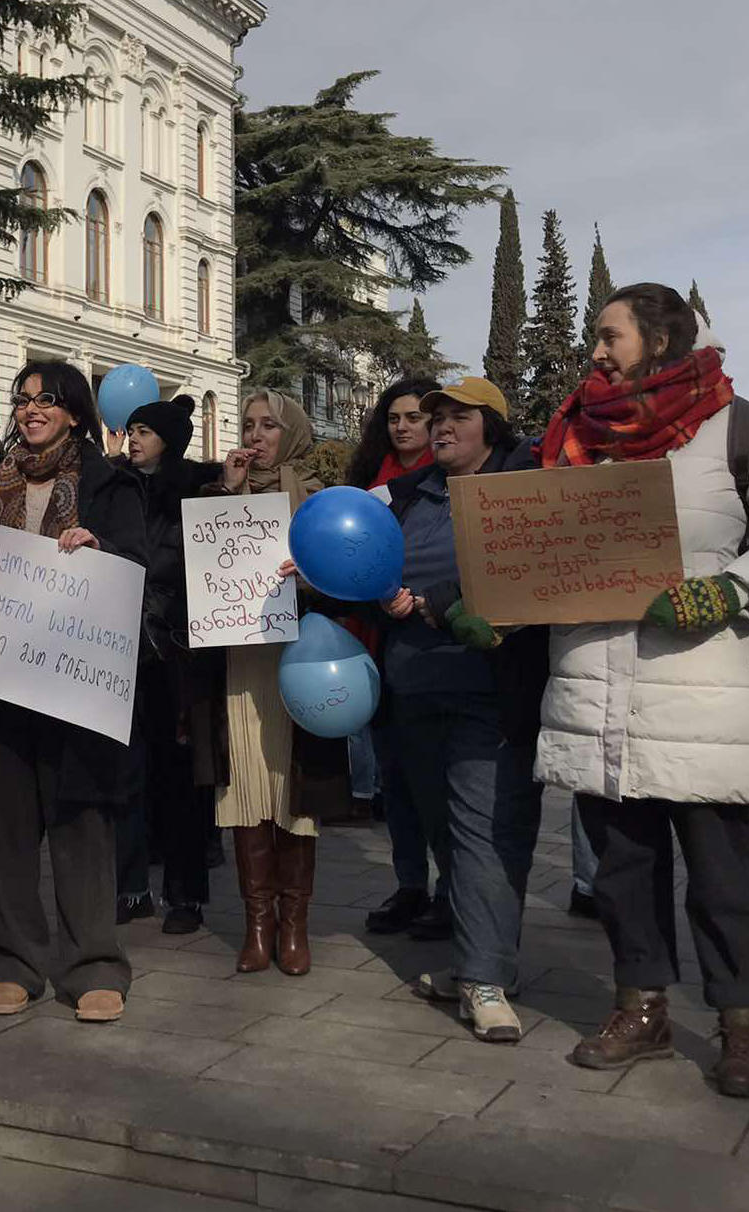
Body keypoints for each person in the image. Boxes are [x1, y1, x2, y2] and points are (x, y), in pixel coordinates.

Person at [533, 283, 749, 1099]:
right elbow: (532, 549)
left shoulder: (739, 427)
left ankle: (742, 1025)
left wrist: (732, 590)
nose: (595, 351)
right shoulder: (572, 433)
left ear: (659, 341)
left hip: (701, 692)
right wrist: (500, 604)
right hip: (597, 688)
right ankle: (642, 1008)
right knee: (621, 869)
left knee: (722, 874)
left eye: (609, 335)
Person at [0, 361, 147, 1022]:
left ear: (74, 411)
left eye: (46, 400)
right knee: (3, 826)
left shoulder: (108, 481)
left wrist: (101, 547)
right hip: (0, 682)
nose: (31, 410)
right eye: (23, 399)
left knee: (82, 826)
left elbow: (143, 558)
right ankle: (10, 959)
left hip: (75, 684)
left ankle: (93, 963)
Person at [374, 377, 548, 1043]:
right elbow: (373, 566)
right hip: (414, 687)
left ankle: (483, 980)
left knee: (488, 833)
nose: (441, 426)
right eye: (435, 417)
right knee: (446, 831)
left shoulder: (523, 487)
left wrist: (429, 599)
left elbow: (516, 568)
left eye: (457, 417)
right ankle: (482, 959)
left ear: (492, 428)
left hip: (492, 690)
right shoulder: (410, 495)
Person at [211, 389, 343, 979]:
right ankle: (256, 924)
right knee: (245, 788)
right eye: (247, 424)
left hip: (298, 660)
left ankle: (294, 925)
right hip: (241, 662)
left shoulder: (313, 500)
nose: (256, 435)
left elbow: (341, 578)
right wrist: (225, 494)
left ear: (290, 433)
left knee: (293, 792)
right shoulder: (218, 499)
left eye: (269, 426)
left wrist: (307, 574)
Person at [350, 376, 454, 938]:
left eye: (415, 417)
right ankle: (409, 883)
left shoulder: (445, 485)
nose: (404, 426)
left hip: (431, 651)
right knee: (395, 778)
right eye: (394, 417)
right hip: (374, 643)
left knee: (433, 782)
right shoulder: (368, 483)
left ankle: (448, 892)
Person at [113, 398, 219, 935]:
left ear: (170, 439)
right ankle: (130, 888)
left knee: (180, 781)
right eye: (131, 430)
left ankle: (185, 896)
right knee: (126, 775)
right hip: (121, 650)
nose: (133, 440)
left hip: (176, 654)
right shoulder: (114, 487)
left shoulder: (198, 489)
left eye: (145, 431)